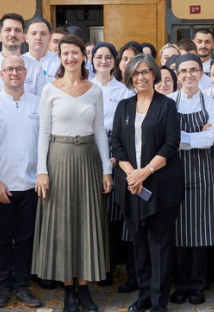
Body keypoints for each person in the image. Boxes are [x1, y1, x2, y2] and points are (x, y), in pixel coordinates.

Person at [32, 34, 113, 312]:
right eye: (65, 53)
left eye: (75, 53)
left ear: (83, 55)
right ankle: (68, 288)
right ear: (60, 57)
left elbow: (101, 131)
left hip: (89, 158)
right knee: (63, 222)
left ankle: (84, 287)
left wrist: (106, 169)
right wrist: (42, 170)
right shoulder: (49, 89)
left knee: (87, 220)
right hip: (59, 157)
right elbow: (43, 132)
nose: (70, 58)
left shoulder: (94, 90)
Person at [111, 54, 182, 312]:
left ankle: (158, 300)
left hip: (161, 185)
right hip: (131, 186)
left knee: (159, 245)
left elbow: (171, 144)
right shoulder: (124, 107)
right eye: (135, 73)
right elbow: (116, 143)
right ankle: (143, 295)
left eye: (145, 72)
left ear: (154, 74)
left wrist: (145, 172)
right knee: (139, 243)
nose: (140, 77)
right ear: (129, 77)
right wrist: (132, 174)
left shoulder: (167, 105)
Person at [0, 56, 45, 309]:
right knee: (1, 238)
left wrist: (42, 174)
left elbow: (45, 142)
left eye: (19, 68)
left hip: (31, 185)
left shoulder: (39, 104)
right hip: (2, 185)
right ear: (1, 74)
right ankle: (3, 286)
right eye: (9, 69)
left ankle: (21, 286)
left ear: (26, 73)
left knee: (25, 238)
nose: (14, 73)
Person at [166, 55, 214, 306]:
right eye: (184, 71)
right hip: (173, 174)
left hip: (202, 175)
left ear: (201, 73)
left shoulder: (211, 103)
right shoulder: (168, 102)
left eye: (194, 70)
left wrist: (181, 138)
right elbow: (167, 140)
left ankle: (198, 285)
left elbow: (211, 140)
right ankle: (181, 283)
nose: (188, 75)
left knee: (200, 231)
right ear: (177, 75)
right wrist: (195, 135)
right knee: (177, 231)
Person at [90, 42, 137, 289]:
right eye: (99, 56)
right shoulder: (85, 87)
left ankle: (110, 267)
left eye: (109, 57)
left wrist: (117, 156)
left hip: (118, 149)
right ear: (92, 60)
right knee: (92, 213)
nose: (104, 61)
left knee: (113, 214)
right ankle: (95, 268)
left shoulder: (125, 91)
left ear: (116, 61)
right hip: (88, 150)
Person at [0, 13, 47, 98]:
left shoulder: (36, 67)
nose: (12, 34)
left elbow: (41, 102)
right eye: (8, 30)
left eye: (18, 30)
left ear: (23, 37)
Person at [24, 17, 61, 84]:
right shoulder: (20, 62)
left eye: (43, 34)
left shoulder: (59, 62)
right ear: (26, 38)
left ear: (49, 38)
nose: (38, 38)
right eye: (34, 33)